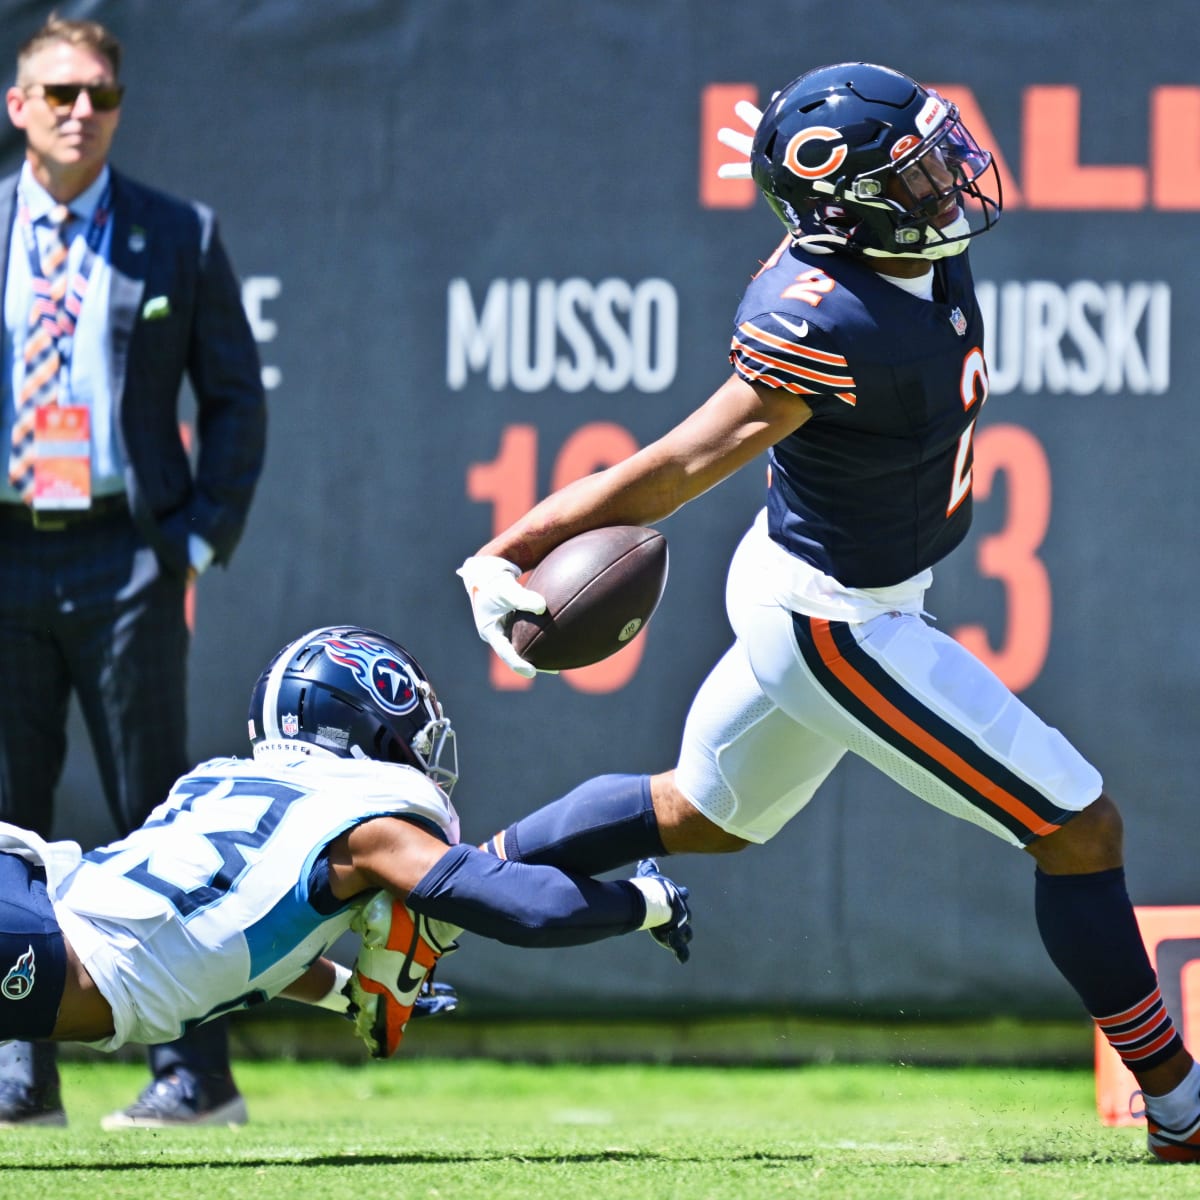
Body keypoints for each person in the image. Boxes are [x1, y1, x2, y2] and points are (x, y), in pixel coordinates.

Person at [457, 62, 1200, 1165]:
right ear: (849, 210)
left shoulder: (892, 252)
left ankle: (446, 887)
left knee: (701, 814)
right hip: (838, 622)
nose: (952, 181)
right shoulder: (830, 318)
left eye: (942, 154)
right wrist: (514, 547)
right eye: (920, 172)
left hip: (818, 588)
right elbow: (676, 463)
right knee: (1078, 827)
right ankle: (1181, 1105)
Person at [0, 625, 692, 1069]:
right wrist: (647, 901)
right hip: (45, 940)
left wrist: (346, 993)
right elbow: (529, 907)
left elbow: (227, 944)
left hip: (35, 899)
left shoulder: (221, 783)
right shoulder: (368, 827)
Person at [0, 15, 266, 1127]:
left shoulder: (176, 232)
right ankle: (21, 1071)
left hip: (127, 563)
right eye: (58, 91)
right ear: (18, 106)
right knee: (7, 825)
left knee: (162, 823)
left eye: (100, 96)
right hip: (7, 550)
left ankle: (195, 1077)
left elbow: (237, 401)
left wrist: (195, 543)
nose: (79, 111)